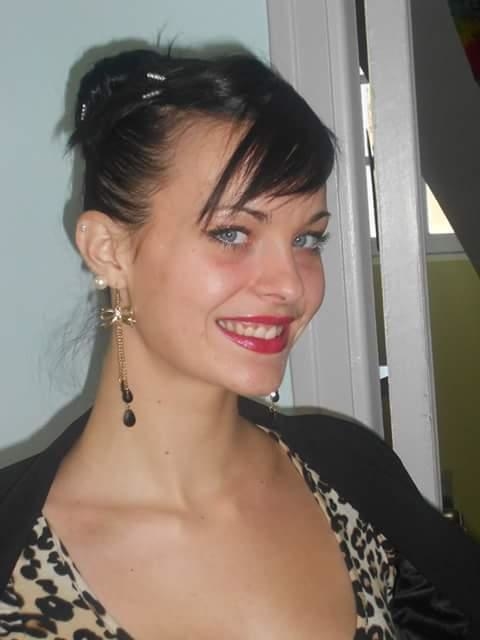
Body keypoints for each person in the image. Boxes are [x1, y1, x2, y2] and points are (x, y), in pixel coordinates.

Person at [0, 46, 479, 640]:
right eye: (232, 233)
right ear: (108, 250)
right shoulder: (15, 558)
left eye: (307, 239)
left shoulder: (353, 475)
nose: (290, 285)